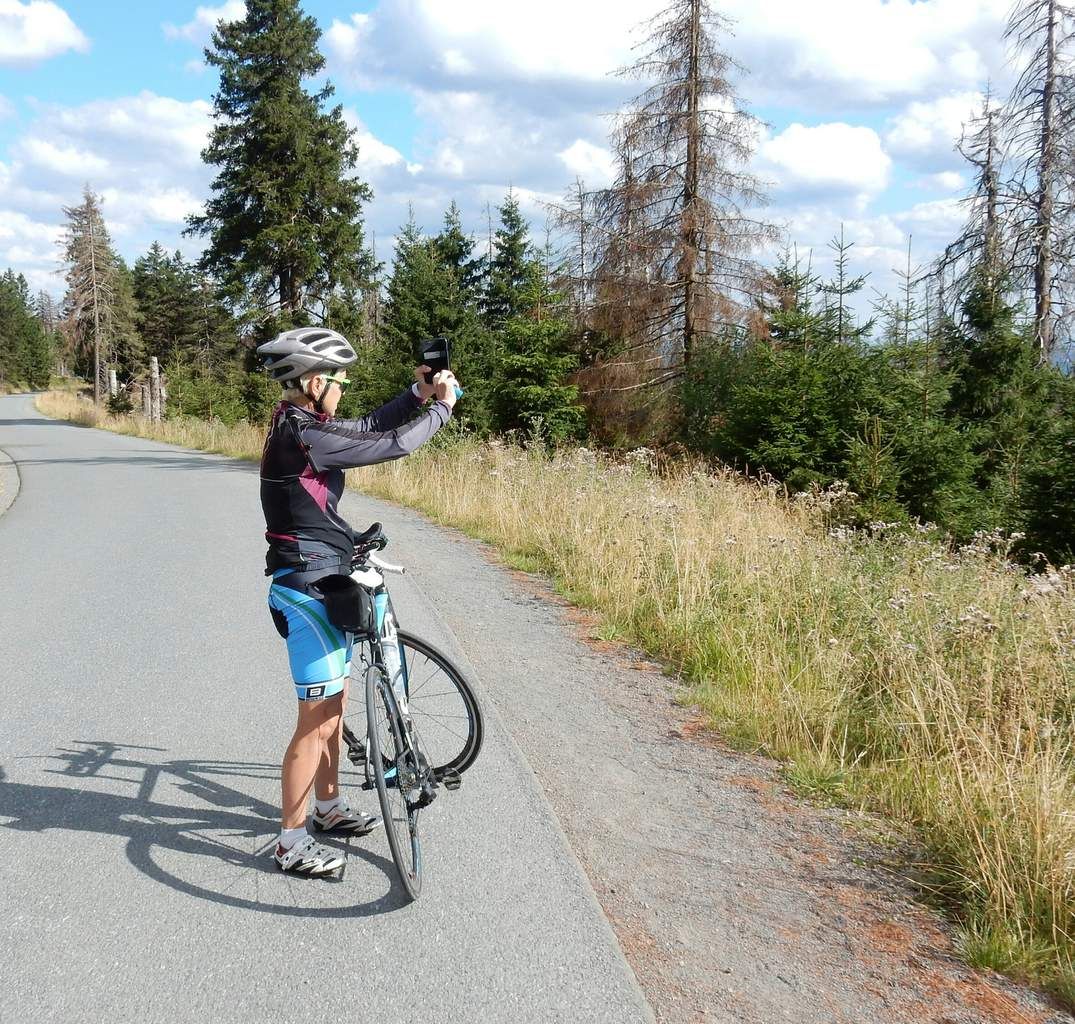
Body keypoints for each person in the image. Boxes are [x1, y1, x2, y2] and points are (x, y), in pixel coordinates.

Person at [257, 326, 458, 876]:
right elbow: (387, 444)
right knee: (315, 719)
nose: (343, 390)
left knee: (335, 707)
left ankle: (327, 807)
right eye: (339, 381)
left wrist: (416, 396)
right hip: (305, 590)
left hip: (327, 579)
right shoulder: (302, 435)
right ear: (315, 381)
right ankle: (291, 842)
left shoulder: (304, 423)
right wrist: (442, 409)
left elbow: (367, 425)